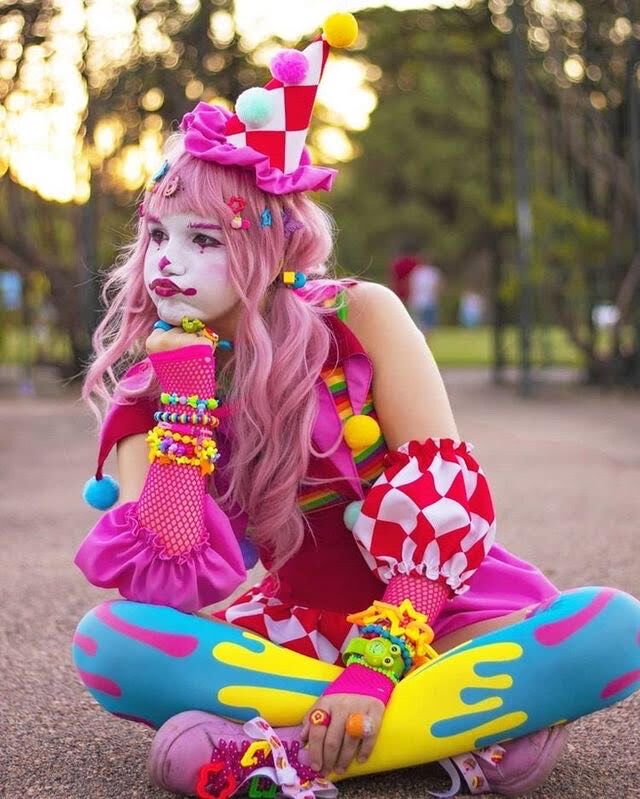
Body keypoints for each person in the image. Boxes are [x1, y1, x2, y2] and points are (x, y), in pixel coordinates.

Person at [71, 13, 640, 799]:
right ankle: (447, 737)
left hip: (439, 616)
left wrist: (374, 671)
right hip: (292, 640)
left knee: (614, 630)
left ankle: (284, 750)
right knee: (109, 644)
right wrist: (189, 406)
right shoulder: (152, 389)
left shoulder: (362, 315)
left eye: (203, 238)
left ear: (269, 239)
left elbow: (443, 501)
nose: (167, 262)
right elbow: (172, 580)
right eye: (158, 236)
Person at [407, 256, 442, 336]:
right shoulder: (433, 272)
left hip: (417, 301)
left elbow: (411, 286)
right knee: (428, 324)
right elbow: (437, 287)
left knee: (418, 323)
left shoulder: (416, 272)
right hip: (429, 301)